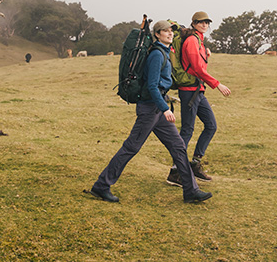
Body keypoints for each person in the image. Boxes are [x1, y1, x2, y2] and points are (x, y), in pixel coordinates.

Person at [90, 20, 212, 204]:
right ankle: (101, 186)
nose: (170, 34)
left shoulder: (164, 52)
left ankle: (191, 191)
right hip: (150, 110)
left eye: (171, 31)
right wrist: (164, 109)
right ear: (157, 34)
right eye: (165, 31)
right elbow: (152, 86)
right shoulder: (156, 55)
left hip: (158, 108)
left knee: (178, 147)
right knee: (131, 148)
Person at [167, 11, 231, 186]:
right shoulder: (191, 41)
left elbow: (197, 63)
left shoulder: (199, 41)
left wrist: (206, 54)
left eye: (207, 22)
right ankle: (175, 171)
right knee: (187, 130)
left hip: (198, 90)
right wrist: (217, 84)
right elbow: (196, 68)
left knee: (211, 126)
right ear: (194, 23)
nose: (204, 24)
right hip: (189, 90)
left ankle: (194, 164)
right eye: (201, 22)